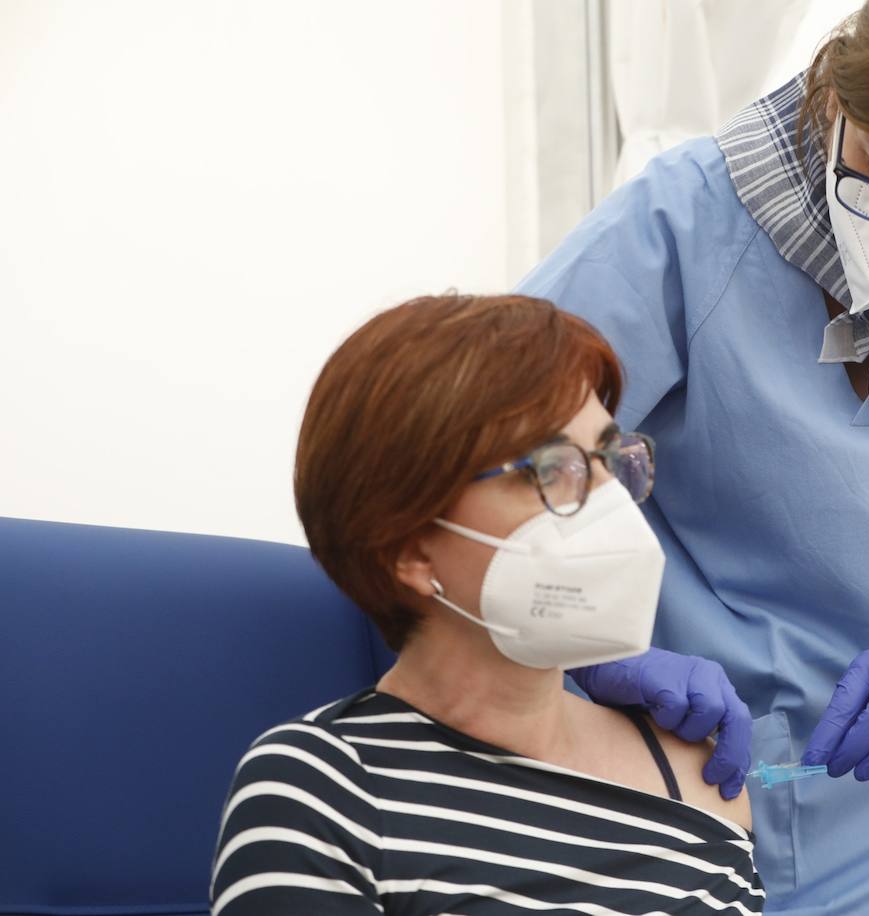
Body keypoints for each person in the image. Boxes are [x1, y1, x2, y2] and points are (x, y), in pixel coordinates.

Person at [515, 0, 869, 912]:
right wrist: (587, 655)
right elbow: (485, 465)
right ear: (832, 95)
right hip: (658, 782)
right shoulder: (681, 224)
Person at [210, 294, 765, 914]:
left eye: (611, 459)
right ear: (410, 548)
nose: (611, 503)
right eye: (552, 468)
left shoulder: (694, 776)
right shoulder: (321, 790)